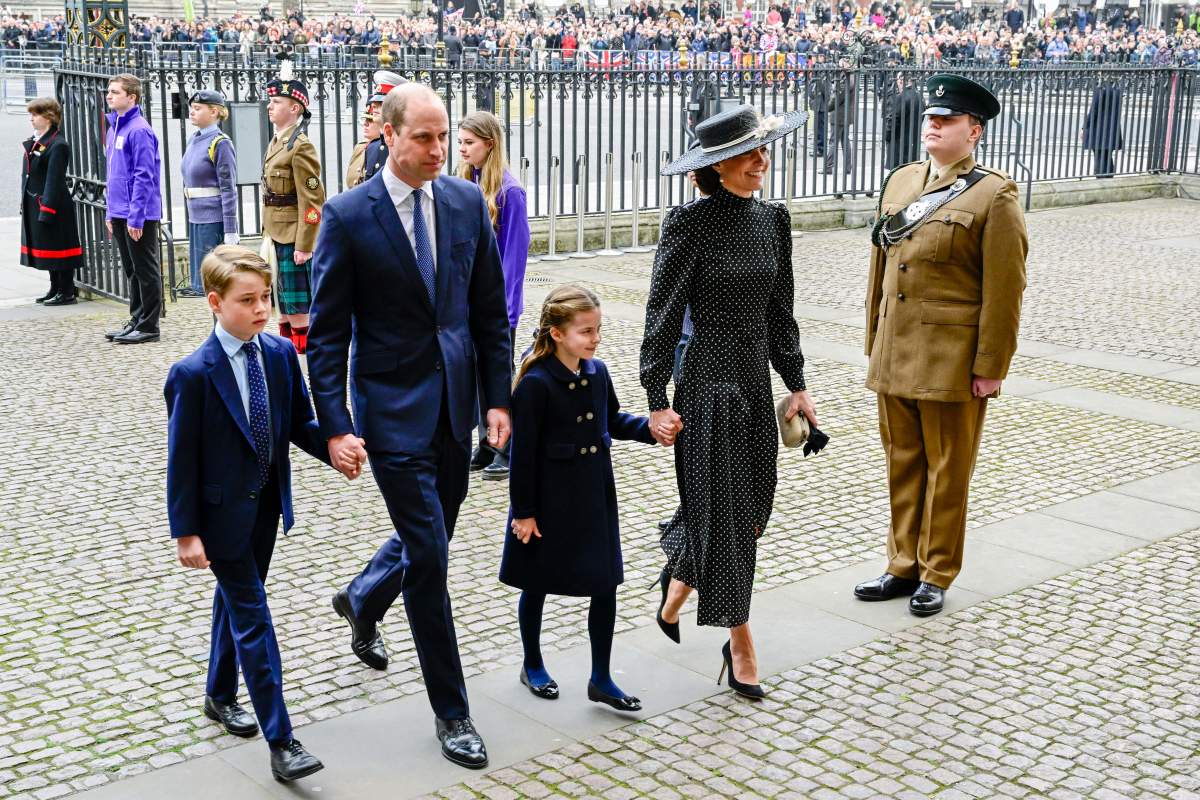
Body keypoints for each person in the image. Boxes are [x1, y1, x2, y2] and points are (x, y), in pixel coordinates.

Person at [307, 83, 511, 770]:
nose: (438, 149)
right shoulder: (348, 216)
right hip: (390, 413)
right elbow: (327, 336)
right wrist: (335, 426)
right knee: (429, 556)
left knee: (433, 536)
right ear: (389, 135)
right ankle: (452, 711)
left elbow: (488, 312)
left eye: (443, 136)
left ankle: (363, 598)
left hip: (455, 407)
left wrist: (498, 399)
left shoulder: (463, 202)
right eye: (423, 137)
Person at [164, 245, 362, 783]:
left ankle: (218, 692)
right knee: (254, 617)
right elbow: (181, 461)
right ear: (215, 303)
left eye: (266, 298)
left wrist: (336, 446)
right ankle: (282, 740)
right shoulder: (192, 374)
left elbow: (298, 423)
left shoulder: (277, 354)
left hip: (267, 508)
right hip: (219, 519)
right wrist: (186, 533)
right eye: (247, 300)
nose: (260, 308)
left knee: (235, 599)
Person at [642, 105, 817, 699]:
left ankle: (677, 585)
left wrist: (796, 382)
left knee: (752, 510)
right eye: (748, 153)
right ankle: (740, 644)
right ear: (716, 166)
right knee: (725, 516)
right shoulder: (688, 224)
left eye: (763, 149)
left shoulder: (774, 220)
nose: (760, 160)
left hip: (752, 384)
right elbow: (662, 313)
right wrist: (656, 397)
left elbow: (781, 312)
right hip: (706, 388)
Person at [858, 74, 1027, 617]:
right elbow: (881, 268)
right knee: (902, 462)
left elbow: (1005, 288)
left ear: (974, 131)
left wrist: (991, 365)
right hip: (896, 350)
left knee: (948, 471)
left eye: (946, 119)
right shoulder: (902, 180)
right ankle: (901, 564)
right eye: (931, 117)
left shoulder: (994, 194)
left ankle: (936, 571)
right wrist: (874, 338)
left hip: (950, 359)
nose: (932, 125)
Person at [502, 285, 661, 711]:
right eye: (586, 331)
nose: (595, 339)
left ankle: (601, 678)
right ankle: (532, 663)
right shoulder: (535, 383)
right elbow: (522, 456)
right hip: (548, 501)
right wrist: (525, 512)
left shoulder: (598, 371)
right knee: (536, 581)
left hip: (593, 494)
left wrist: (650, 430)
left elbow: (613, 419)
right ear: (556, 333)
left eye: (598, 329)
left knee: (605, 583)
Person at [456, 110, 531, 480]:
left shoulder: (510, 192)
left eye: (469, 142)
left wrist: (505, 310)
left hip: (497, 304)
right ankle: (488, 440)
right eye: (460, 142)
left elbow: (514, 257)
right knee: (474, 373)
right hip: (467, 301)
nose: (462, 149)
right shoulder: (465, 182)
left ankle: (508, 444)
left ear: (490, 144)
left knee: (498, 374)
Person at [260, 64, 324, 354]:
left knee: (299, 312)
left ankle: (306, 364)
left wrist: (305, 245)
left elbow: (313, 201)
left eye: (276, 102)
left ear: (295, 108)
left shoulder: (300, 146)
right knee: (283, 310)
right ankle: (287, 361)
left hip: (292, 239)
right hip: (275, 234)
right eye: (271, 101)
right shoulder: (278, 141)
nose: (270, 106)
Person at [103, 74, 163, 345]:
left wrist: (136, 216)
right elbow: (113, 174)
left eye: (115, 92)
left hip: (138, 213)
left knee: (145, 269)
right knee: (131, 269)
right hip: (119, 211)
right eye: (109, 91)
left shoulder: (139, 130)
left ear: (132, 97)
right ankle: (137, 318)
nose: (109, 95)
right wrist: (110, 212)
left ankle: (149, 325)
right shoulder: (114, 127)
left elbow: (144, 175)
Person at [21, 96, 81, 306]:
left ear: (49, 117)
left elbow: (54, 181)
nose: (31, 119)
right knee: (48, 248)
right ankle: (55, 288)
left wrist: (47, 208)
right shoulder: (41, 141)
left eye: (35, 114)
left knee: (59, 249)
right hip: (38, 203)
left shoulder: (58, 144)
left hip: (53, 205)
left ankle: (66, 291)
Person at [179, 89, 239, 298]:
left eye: (198, 108)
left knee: (215, 282)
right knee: (204, 283)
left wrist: (230, 229)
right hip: (196, 218)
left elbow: (228, 188)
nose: (192, 112)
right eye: (192, 108)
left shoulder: (221, 143)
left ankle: (221, 319)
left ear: (214, 112)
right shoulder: (194, 139)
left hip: (213, 219)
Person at [360, 70, 405, 186]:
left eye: (381, 103)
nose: (373, 105)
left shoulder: (406, 147)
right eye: (374, 102)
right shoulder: (372, 147)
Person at [882, 72, 925, 171]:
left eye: (898, 80)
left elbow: (893, 121)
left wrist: (887, 137)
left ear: (901, 81)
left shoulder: (901, 97)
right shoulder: (919, 97)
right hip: (913, 142)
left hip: (899, 144)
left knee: (896, 174)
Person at [1083, 79, 1123, 178]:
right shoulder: (1117, 90)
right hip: (1112, 130)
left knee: (1099, 157)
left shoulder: (1100, 89)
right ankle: (1109, 178)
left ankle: (1101, 180)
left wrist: (1084, 127)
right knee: (1107, 157)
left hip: (1099, 132)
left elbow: (1093, 111)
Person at [345, 102, 380, 189]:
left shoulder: (387, 150)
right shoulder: (360, 147)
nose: (365, 124)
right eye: (365, 120)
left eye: (371, 120)